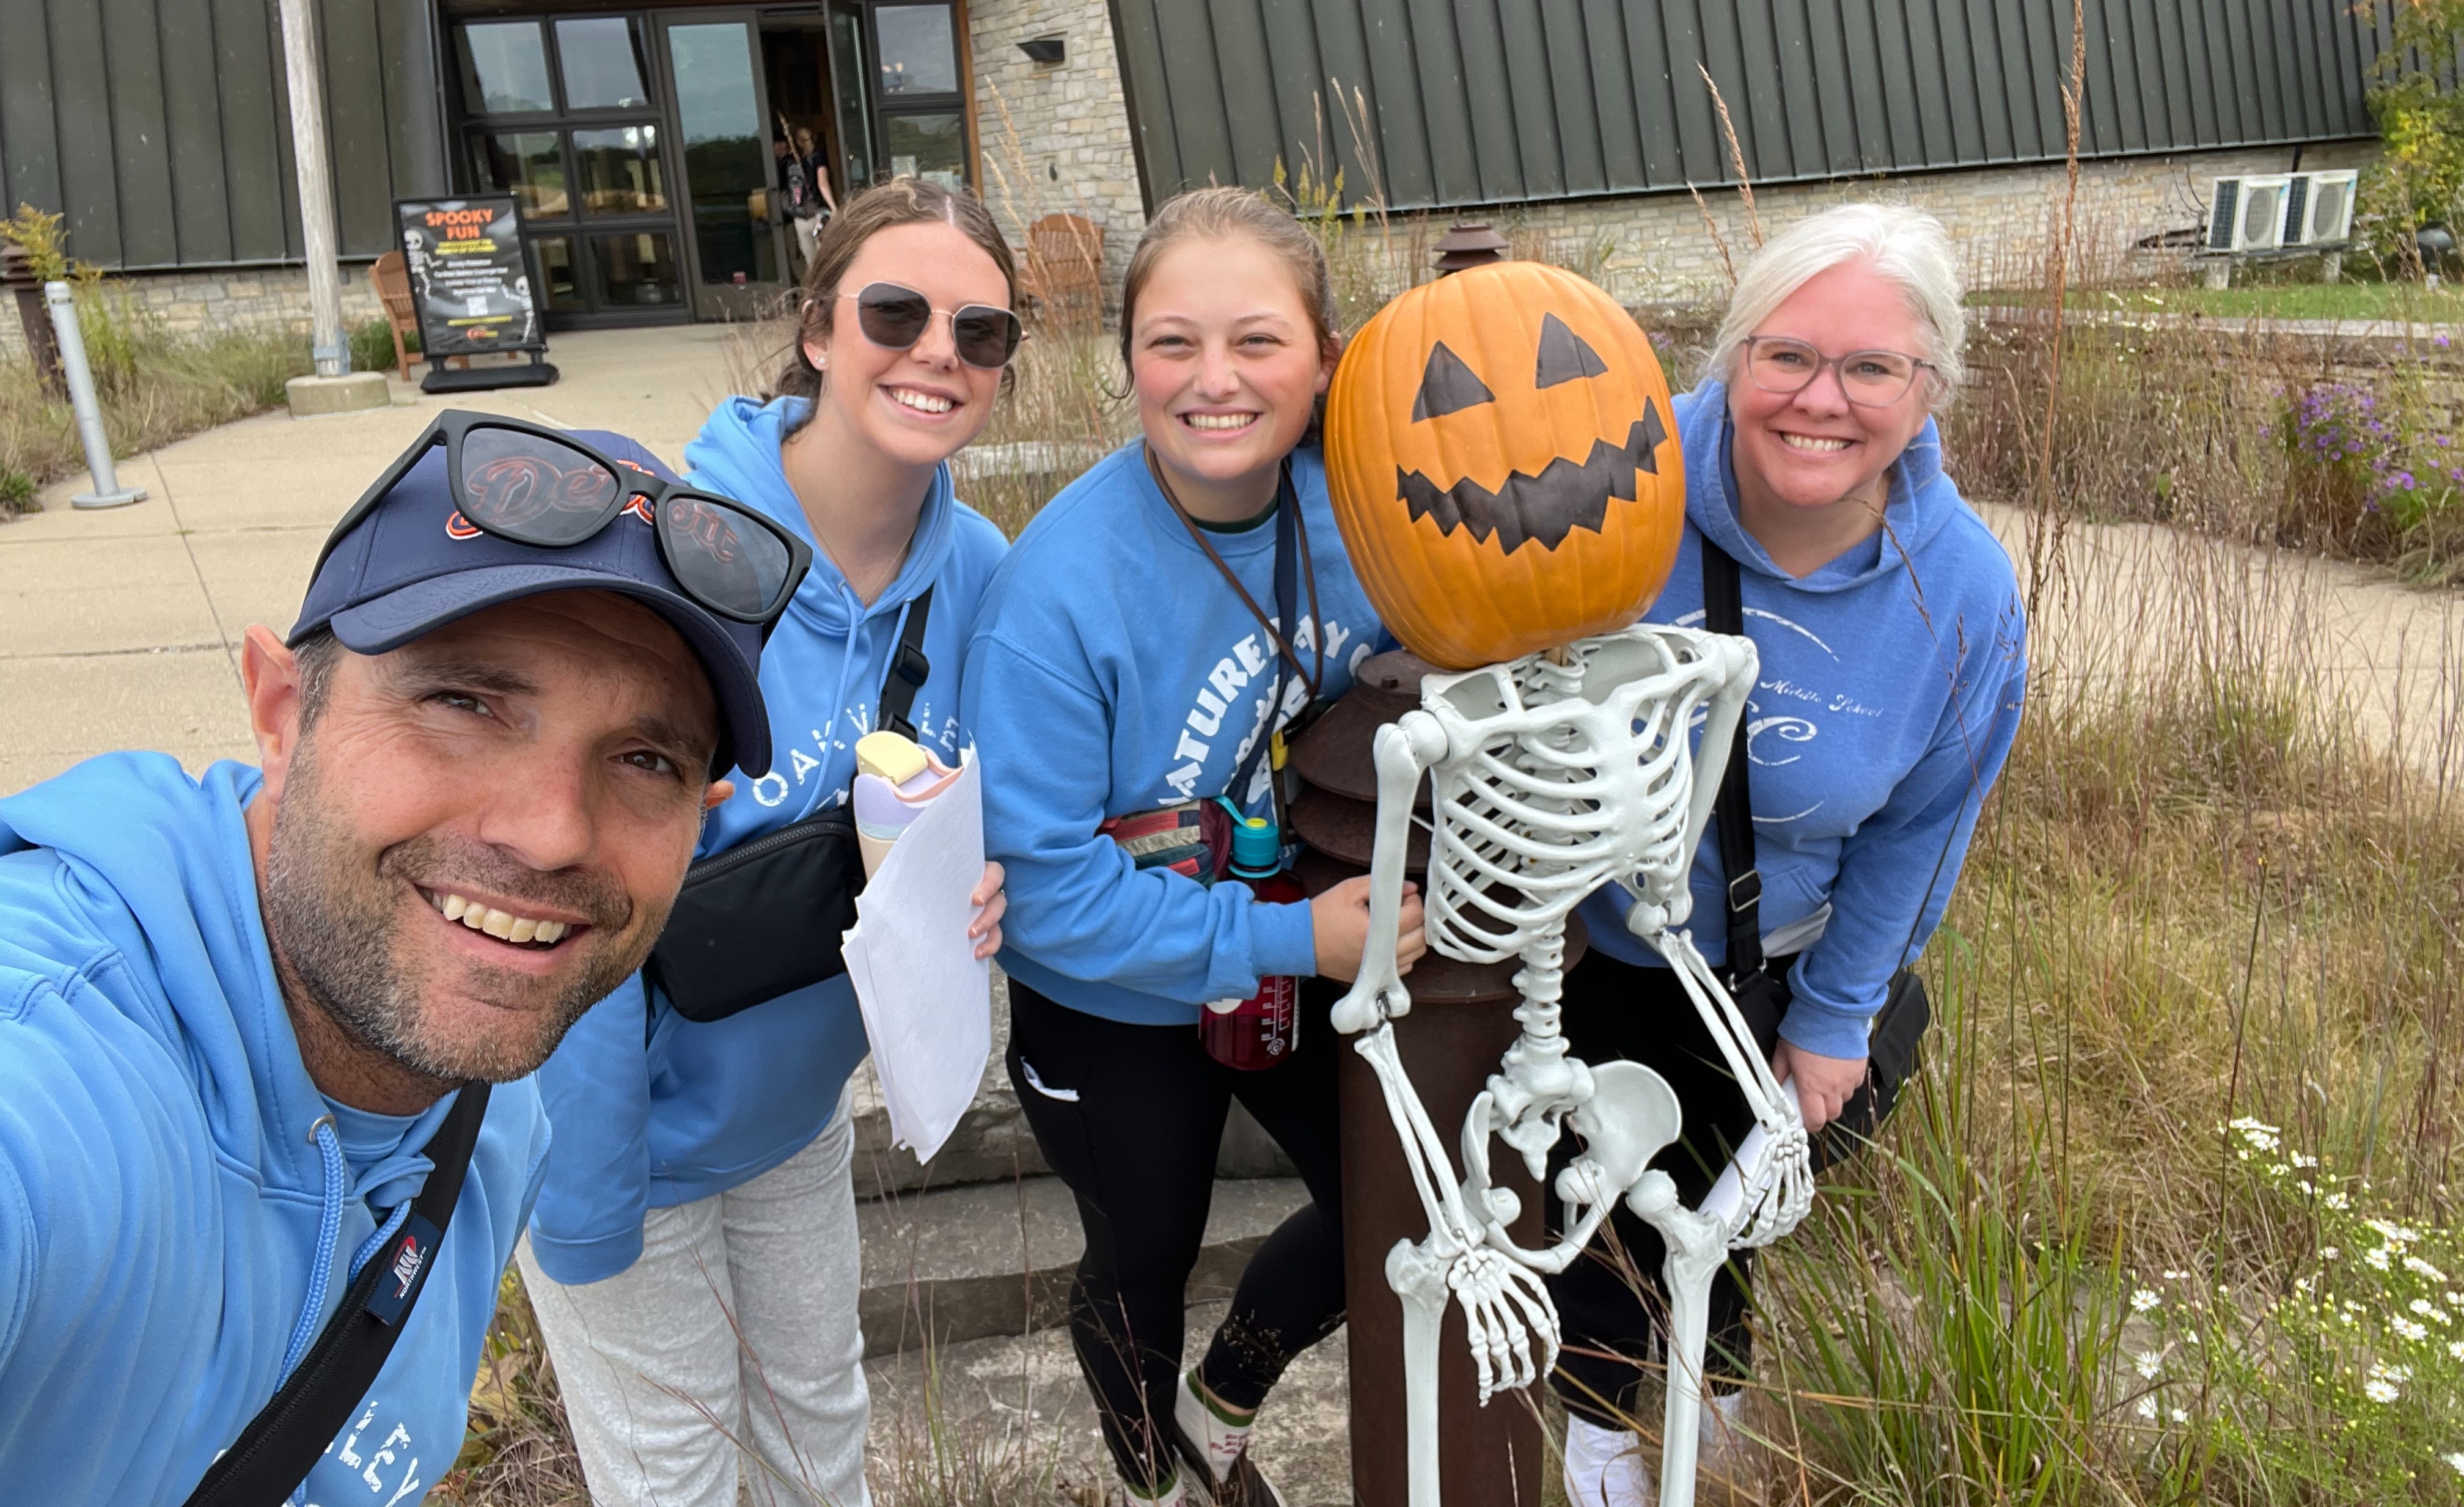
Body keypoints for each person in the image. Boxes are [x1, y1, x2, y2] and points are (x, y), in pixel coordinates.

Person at [0, 416, 805, 1504]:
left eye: (646, 758)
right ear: (283, 711)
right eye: (465, 704)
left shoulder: (493, 1119)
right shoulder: (55, 1082)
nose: (555, 831)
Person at [518, 178, 1019, 1507]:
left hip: (797, 1119)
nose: (937, 353)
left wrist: (992, 879)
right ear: (815, 329)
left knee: (819, 1443)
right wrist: (582, 1199)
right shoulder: (672, 556)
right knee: (677, 1477)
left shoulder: (981, 573)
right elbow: (559, 885)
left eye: (981, 333)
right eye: (897, 312)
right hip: (619, 1133)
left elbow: (1011, 803)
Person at [1548, 204, 2030, 1504]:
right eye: (1787, 358)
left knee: (1729, 1200)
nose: (1823, 400)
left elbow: (1925, 827)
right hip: (1580, 949)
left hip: (1777, 963)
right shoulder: (1607, 474)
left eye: (1873, 369)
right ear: (1731, 358)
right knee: (1595, 1217)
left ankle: (1723, 1405)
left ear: (1931, 390)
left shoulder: (1963, 597)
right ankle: (1595, 1442)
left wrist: (1834, 1022)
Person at [963, 186, 1427, 1507]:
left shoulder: (1370, 509)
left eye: (1256, 341)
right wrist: (1292, 935)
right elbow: (1048, 895)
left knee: (1389, 1208)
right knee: (1142, 1255)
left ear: (1328, 358)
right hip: (1115, 996)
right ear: (1127, 365)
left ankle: (1218, 1400)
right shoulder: (1056, 592)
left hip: (1295, 947)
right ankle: (1153, 1486)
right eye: (1172, 343)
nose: (1213, 381)